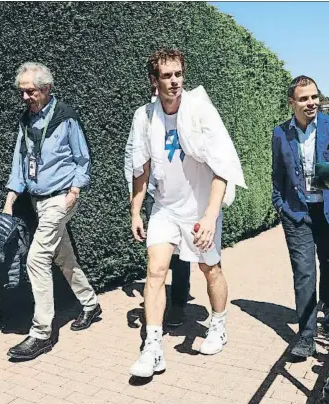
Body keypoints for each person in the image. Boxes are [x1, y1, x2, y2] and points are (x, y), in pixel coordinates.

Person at [128, 49, 246, 377]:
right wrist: (136, 212)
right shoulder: (145, 116)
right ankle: (153, 348)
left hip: (199, 209)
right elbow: (142, 168)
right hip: (165, 208)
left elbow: (223, 168)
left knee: (211, 270)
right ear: (154, 81)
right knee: (155, 271)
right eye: (167, 76)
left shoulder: (200, 112)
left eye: (178, 74)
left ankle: (218, 326)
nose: (175, 81)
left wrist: (209, 216)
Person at [3, 62, 101, 361]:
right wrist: (9, 201)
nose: (25, 97)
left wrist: (74, 191)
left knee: (36, 259)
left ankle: (41, 333)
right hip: (37, 201)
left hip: (61, 200)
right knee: (62, 256)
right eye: (21, 92)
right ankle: (90, 303)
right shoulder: (25, 120)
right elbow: (20, 160)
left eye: (30, 92)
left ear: (46, 89)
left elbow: (82, 158)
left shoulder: (65, 117)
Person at [271, 75, 329, 358]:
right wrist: (280, 205)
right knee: (304, 273)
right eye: (304, 98)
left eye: (314, 97)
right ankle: (306, 336)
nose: (311, 103)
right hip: (297, 213)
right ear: (291, 103)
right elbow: (277, 175)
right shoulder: (280, 133)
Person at [124, 84, 191, 328]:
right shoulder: (144, 117)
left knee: (182, 256)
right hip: (153, 193)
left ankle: (179, 304)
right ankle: (155, 311)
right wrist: (135, 203)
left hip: (182, 195)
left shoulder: (187, 112)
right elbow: (133, 157)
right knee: (157, 258)